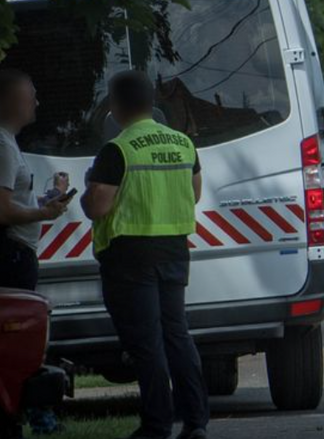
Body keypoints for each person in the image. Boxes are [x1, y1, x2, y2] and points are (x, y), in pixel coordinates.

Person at [81, 70, 209, 439]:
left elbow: (99, 207)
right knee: (177, 335)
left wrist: (88, 190)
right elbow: (194, 193)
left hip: (130, 255)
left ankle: (156, 426)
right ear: (153, 103)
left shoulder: (117, 149)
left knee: (146, 344)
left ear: (115, 107)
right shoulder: (183, 144)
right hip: (173, 250)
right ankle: (196, 422)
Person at [0, 70, 70, 435]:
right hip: (10, 255)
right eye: (31, 97)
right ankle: (23, 418)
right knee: (19, 340)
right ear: (10, 102)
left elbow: (11, 201)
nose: (37, 103)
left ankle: (17, 417)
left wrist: (46, 198)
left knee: (15, 338)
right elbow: (0, 211)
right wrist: (44, 212)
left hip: (4, 250)